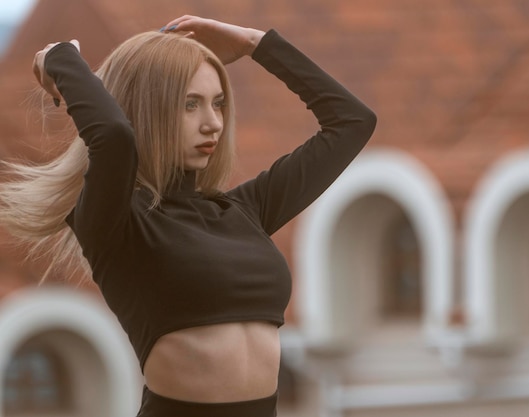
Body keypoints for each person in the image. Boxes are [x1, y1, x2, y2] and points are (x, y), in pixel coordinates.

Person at [4, 15, 376, 417]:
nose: (213, 122)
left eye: (218, 103)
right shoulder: (118, 223)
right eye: (190, 104)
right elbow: (113, 137)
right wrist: (59, 58)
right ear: (147, 109)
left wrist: (255, 43)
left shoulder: (244, 211)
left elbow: (352, 123)